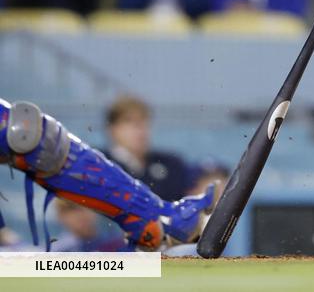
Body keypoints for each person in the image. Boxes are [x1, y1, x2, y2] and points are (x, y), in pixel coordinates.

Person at [0, 96, 213, 250]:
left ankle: (155, 220)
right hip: (94, 244)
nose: (140, 130)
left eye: (143, 123)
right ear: (113, 129)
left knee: (23, 130)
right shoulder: (105, 155)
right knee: (24, 132)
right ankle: (154, 219)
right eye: (131, 123)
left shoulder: (170, 161)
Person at [103, 95, 195, 203]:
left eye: (143, 120)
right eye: (128, 121)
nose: (139, 127)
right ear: (112, 129)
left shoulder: (171, 164)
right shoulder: (100, 164)